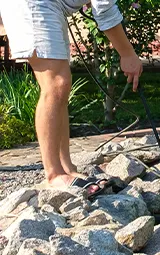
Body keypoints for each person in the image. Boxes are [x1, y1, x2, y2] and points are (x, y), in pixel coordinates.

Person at [0, 1, 143, 195]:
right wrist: (127, 53)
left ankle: (66, 167)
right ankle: (54, 175)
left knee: (61, 86)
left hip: (52, 5)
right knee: (56, 84)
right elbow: (104, 7)